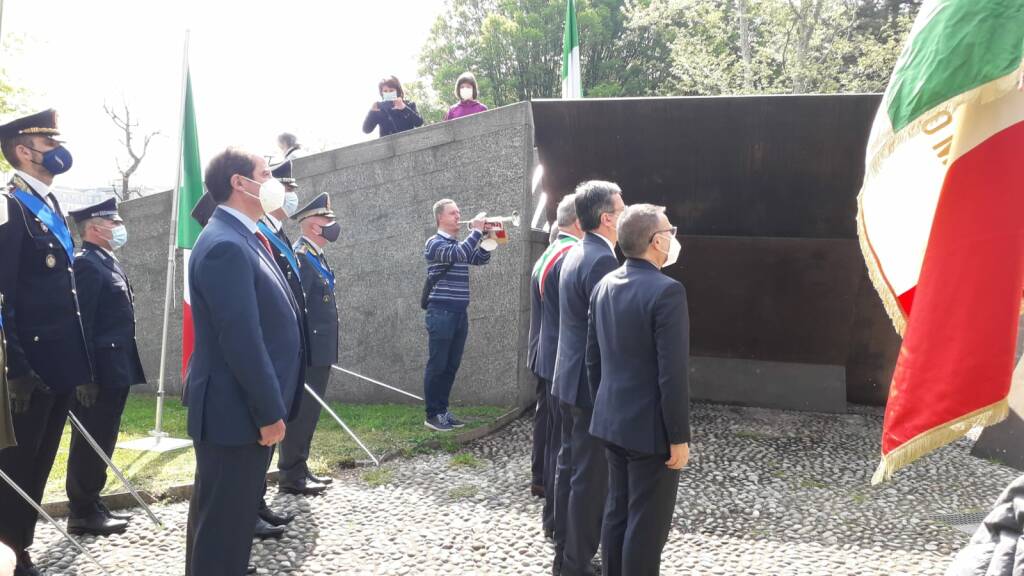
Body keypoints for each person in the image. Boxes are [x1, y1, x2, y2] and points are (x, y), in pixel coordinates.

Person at [183, 148, 304, 576]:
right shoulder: (225, 245)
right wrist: (269, 412)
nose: (274, 182)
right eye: (265, 173)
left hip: (237, 412)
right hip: (235, 414)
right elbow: (241, 339)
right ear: (239, 182)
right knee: (223, 530)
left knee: (219, 524)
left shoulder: (240, 236)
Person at [0, 109, 92, 576]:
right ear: (23, 150)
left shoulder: (51, 204)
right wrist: (15, 366)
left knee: (39, 466)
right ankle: (10, 553)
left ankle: (22, 545)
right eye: (47, 141)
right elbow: (2, 292)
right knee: (16, 469)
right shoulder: (6, 203)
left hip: (57, 365)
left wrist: (80, 364)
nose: (58, 150)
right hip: (28, 368)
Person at [588, 204, 690, 576]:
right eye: (670, 230)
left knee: (618, 512)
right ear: (657, 241)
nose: (673, 237)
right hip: (650, 431)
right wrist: (678, 436)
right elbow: (672, 373)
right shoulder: (667, 292)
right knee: (646, 528)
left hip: (611, 421)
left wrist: (603, 409)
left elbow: (592, 360)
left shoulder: (604, 285)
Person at [551, 180, 625, 576]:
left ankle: (565, 553)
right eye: (622, 206)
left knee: (569, 471)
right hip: (587, 386)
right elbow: (604, 333)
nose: (627, 213)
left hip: (568, 379)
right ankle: (576, 564)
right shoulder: (600, 260)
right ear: (608, 217)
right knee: (589, 481)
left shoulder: (579, 251)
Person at [64, 198, 146, 537]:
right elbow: (79, 324)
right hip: (98, 373)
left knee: (104, 437)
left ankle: (91, 500)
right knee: (91, 440)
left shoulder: (106, 262)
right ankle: (81, 511)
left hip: (116, 368)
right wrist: (86, 376)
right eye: (114, 223)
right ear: (95, 228)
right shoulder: (86, 265)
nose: (119, 228)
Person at [251, 160, 312, 541]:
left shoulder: (278, 233)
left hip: (285, 353)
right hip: (269, 353)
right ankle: (249, 506)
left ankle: (256, 503)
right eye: (282, 187)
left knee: (272, 437)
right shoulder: (258, 233)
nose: (290, 196)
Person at [278, 193, 340, 495]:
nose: (332, 224)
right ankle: (291, 476)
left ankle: (300, 468)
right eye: (326, 220)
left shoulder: (315, 255)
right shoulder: (301, 257)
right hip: (310, 350)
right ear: (311, 225)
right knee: (302, 414)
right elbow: (296, 306)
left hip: (322, 350)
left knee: (311, 412)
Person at [530, 194, 582, 546]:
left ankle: (548, 500)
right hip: (559, 360)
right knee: (561, 444)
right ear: (582, 221)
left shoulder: (550, 252)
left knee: (550, 438)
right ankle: (555, 515)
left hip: (545, 355)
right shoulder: (569, 256)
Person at [422, 199, 491, 431]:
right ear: (440, 217)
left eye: (459, 212)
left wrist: (489, 239)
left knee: (451, 365)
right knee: (437, 364)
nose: (458, 216)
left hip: (459, 313)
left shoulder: (459, 244)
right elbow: (459, 253)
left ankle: (443, 411)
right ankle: (432, 415)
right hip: (441, 312)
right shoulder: (434, 243)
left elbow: (479, 258)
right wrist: (477, 231)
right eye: (453, 213)